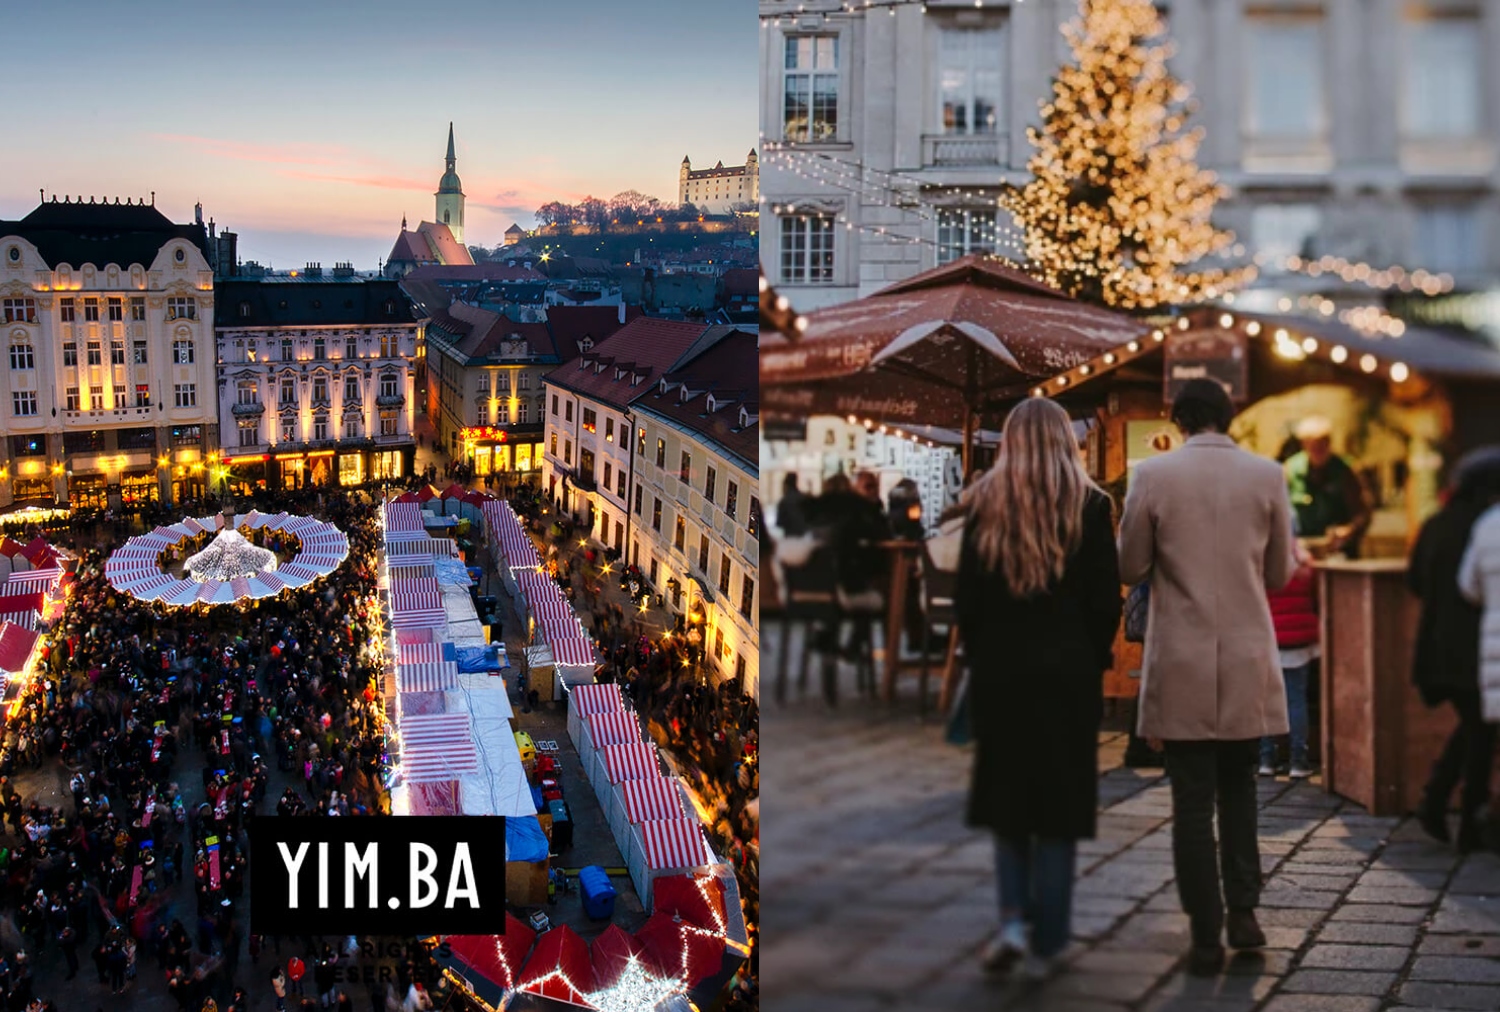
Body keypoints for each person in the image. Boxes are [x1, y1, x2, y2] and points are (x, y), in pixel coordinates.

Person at [1118, 379, 1295, 976]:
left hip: (1183, 654)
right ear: (1229, 416)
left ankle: (1203, 933)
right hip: (1245, 654)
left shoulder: (1152, 476)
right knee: (1241, 787)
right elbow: (1279, 573)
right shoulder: (1267, 475)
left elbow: (1130, 564)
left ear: (1179, 418)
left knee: (1191, 801)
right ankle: (1244, 911)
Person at [956, 398, 1122, 981]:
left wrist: (983, 659)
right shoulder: (1093, 506)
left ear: (1010, 443)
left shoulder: (984, 503)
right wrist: (1089, 660)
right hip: (1067, 679)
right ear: (1063, 441)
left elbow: (968, 603)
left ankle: (1012, 926)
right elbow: (1107, 602)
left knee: (1009, 807)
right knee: (1057, 810)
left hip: (1003, 675)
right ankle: (1050, 938)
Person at [1413, 448, 1500, 848]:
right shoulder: (1483, 525)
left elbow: (1414, 580)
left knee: (1476, 726)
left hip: (1438, 644)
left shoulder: (1436, 523)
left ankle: (1441, 804)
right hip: (1474, 647)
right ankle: (1466, 819)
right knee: (1480, 729)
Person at [1259, 536, 1319, 779]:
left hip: (1268, 639)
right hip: (1298, 641)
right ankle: (1298, 761)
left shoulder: (1259, 560)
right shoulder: (1304, 564)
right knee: (1296, 700)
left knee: (1266, 701)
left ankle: (1266, 759)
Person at [1284, 416, 1371, 557]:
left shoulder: (1346, 471)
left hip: (1340, 552)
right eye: (1313, 444)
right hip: (1302, 552)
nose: (1318, 449)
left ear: (1329, 443)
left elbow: (1363, 512)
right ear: (1304, 444)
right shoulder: (1290, 471)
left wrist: (1349, 530)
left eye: (1322, 443)